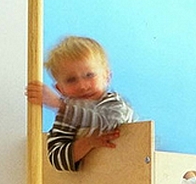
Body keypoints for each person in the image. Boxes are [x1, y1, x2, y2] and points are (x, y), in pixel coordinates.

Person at [25, 36, 135, 172]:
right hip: (93, 183)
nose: (83, 86)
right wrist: (86, 144)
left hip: (129, 172)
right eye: (71, 80)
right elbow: (56, 159)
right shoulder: (65, 116)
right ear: (60, 89)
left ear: (106, 77)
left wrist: (61, 106)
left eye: (90, 75)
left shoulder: (115, 104)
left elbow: (109, 124)